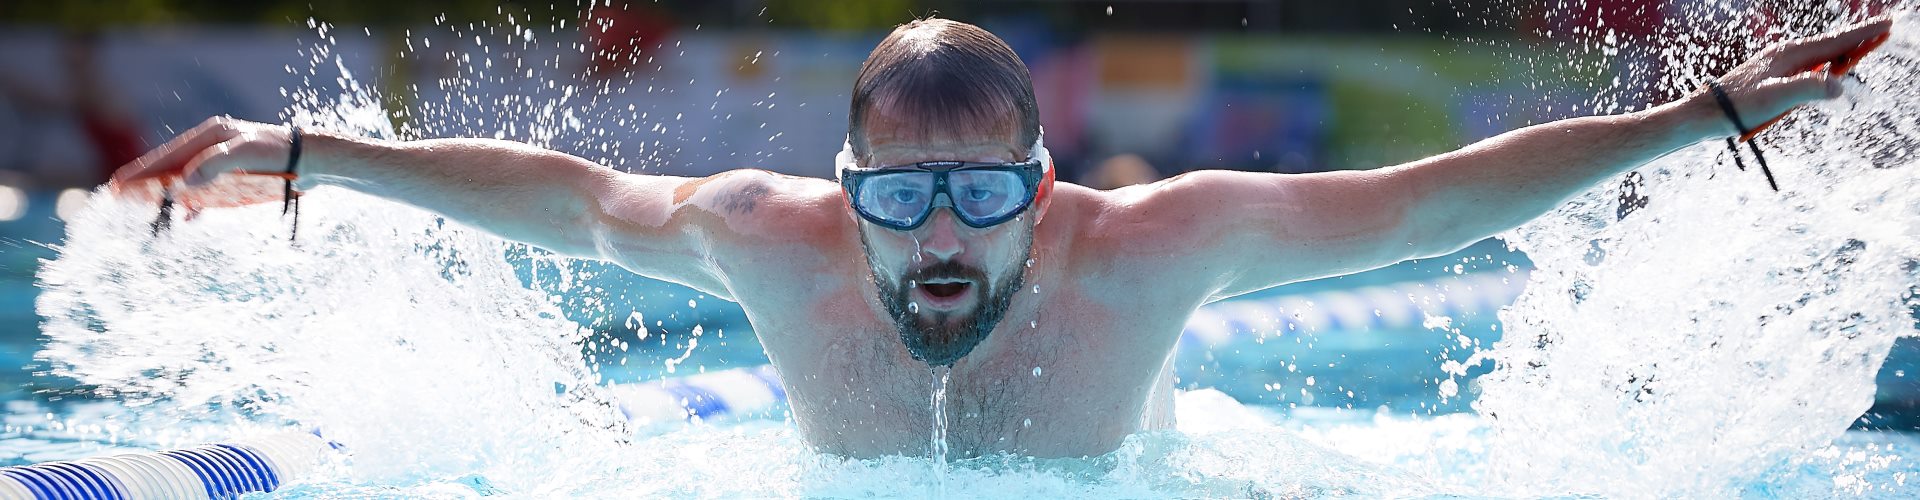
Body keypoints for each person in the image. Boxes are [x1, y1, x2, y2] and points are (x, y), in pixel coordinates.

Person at [109, 17, 1895, 459]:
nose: (939, 236)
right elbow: (566, 200)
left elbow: (1431, 204)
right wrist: (316, 152)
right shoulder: (768, 243)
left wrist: (1696, 118)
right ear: (847, 191)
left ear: (1046, 191)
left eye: (981, 195)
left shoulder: (1159, 247)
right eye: (899, 196)